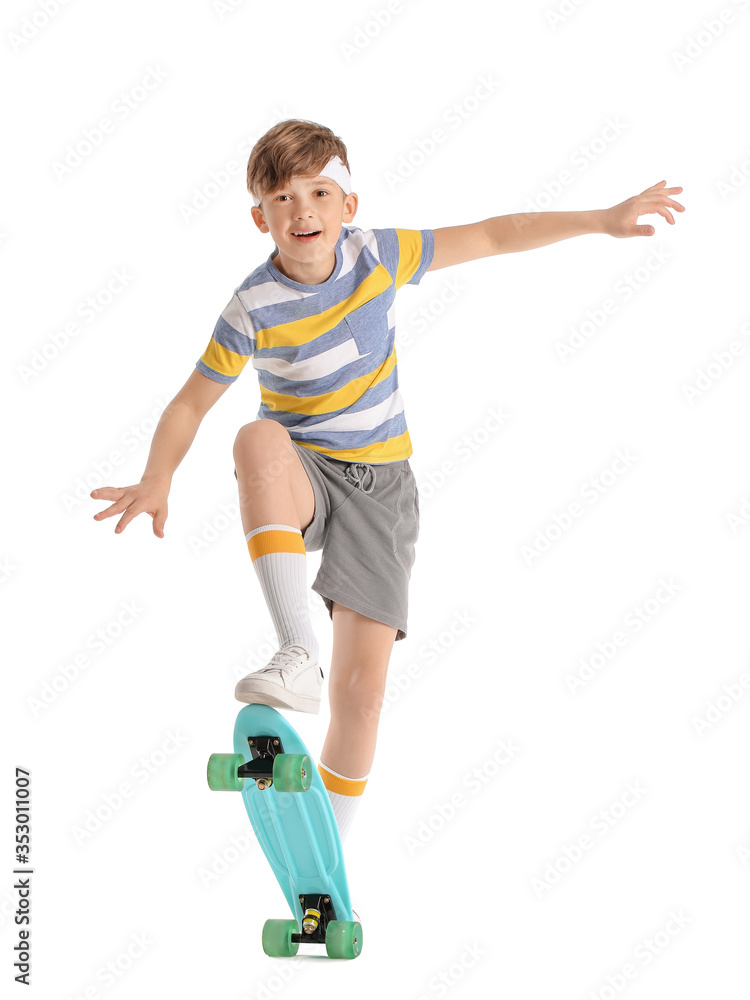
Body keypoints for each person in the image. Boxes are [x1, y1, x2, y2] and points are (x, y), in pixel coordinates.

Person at [91, 118, 684, 842]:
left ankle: (330, 850)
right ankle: (296, 652)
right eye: (282, 198)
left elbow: (495, 234)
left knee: (363, 694)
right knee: (257, 436)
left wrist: (602, 220)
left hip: (383, 492)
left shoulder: (380, 255)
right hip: (302, 472)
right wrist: (157, 479)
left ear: (349, 205)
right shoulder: (252, 307)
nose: (302, 209)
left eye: (318, 192)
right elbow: (191, 401)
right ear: (260, 218)